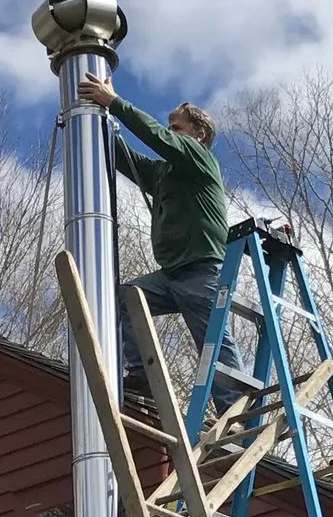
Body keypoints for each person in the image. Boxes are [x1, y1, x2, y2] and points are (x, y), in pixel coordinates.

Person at [75, 75, 228, 392]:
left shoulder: (200, 159)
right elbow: (126, 159)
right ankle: (142, 374)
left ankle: (239, 421)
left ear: (199, 134)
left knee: (214, 351)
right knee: (120, 300)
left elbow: (157, 138)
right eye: (171, 127)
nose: (172, 133)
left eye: (178, 128)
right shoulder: (165, 175)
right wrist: (96, 118)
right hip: (171, 274)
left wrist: (115, 103)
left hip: (201, 269)